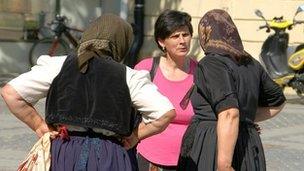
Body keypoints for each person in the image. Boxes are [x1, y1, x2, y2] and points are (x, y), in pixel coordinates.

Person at [1, 14, 176, 171]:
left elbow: (11, 93)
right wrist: (135, 136)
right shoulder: (129, 76)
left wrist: (39, 126)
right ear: (122, 42)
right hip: (109, 154)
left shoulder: (57, 65)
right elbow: (165, 113)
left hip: (65, 149)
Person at [177, 9, 286, 171]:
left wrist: (224, 165)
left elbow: (229, 113)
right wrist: (246, 118)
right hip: (247, 144)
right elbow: (278, 101)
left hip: (214, 145)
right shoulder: (251, 63)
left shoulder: (211, 63)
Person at [135, 9, 197, 171]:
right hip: (149, 159)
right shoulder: (146, 69)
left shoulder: (201, 73)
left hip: (191, 159)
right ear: (162, 41)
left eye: (186, 34)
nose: (182, 41)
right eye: (175, 36)